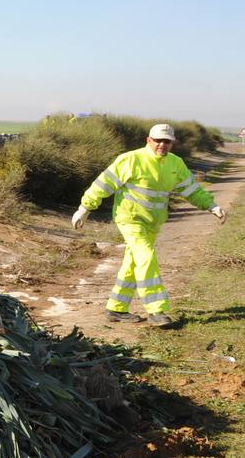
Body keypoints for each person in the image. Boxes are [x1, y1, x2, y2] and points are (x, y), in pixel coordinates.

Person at [72, 123, 226, 326]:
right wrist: (85, 208)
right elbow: (103, 184)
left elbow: (192, 190)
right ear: (148, 140)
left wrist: (212, 206)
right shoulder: (130, 160)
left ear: (173, 143)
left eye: (167, 141)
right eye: (158, 140)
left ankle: (116, 308)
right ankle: (156, 311)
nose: (162, 144)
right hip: (130, 219)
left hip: (153, 222)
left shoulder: (175, 164)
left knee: (134, 262)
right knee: (146, 257)